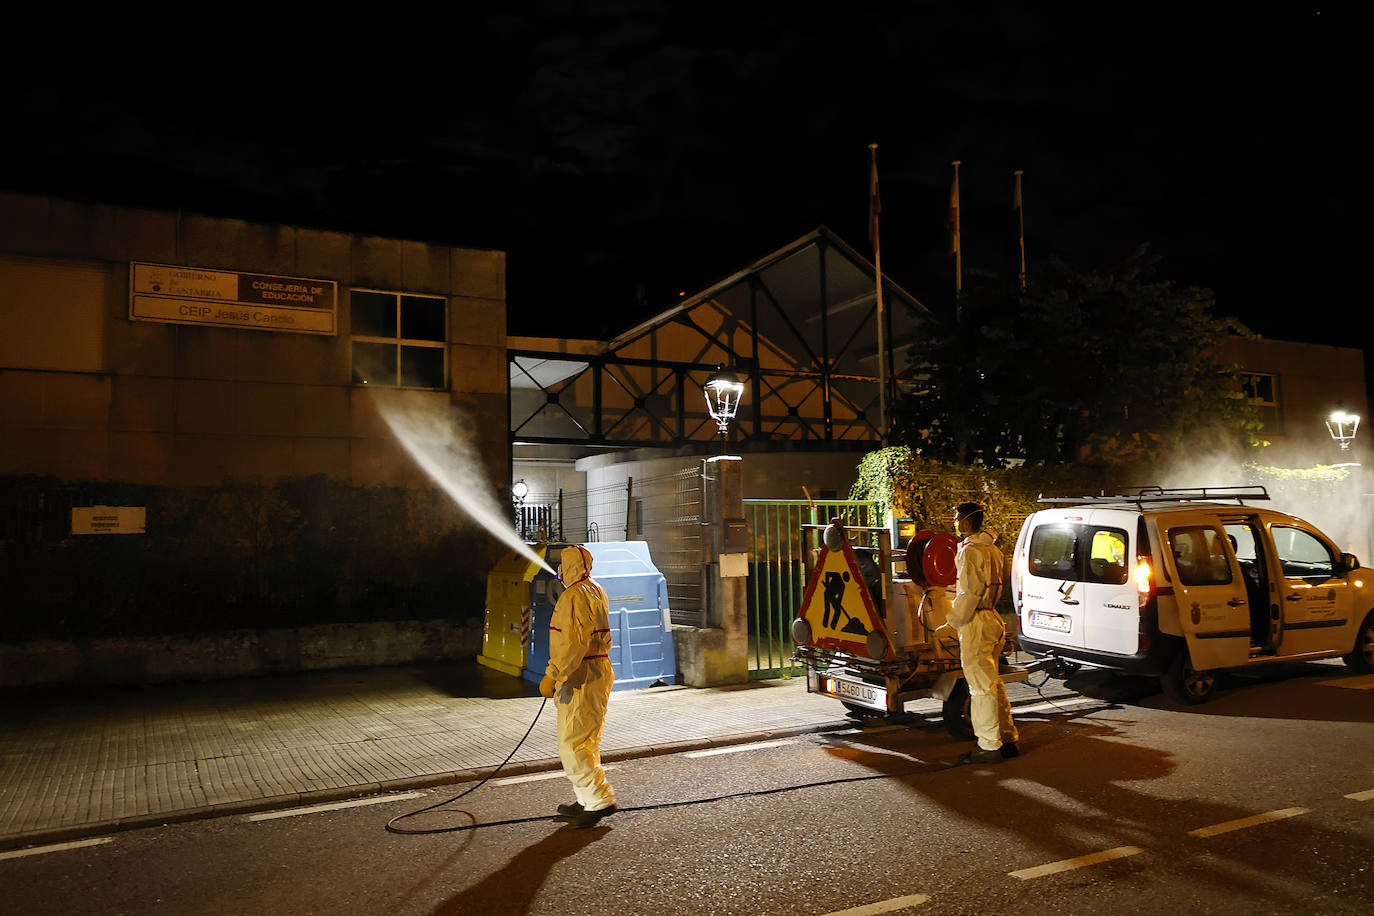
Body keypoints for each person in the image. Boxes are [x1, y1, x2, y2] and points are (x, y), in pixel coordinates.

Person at [539, 545, 618, 827]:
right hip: (596, 669)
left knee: (573, 742)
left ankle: (597, 801)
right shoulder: (595, 589)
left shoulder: (573, 596)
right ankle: (586, 797)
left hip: (580, 674)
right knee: (587, 740)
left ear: (569, 567)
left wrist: (553, 674)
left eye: (562, 565)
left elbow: (573, 642)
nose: (558, 571)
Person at [949, 502, 1020, 764]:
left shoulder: (969, 552)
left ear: (967, 522)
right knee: (993, 683)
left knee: (980, 688)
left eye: (957, 518)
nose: (955, 523)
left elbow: (969, 592)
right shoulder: (992, 549)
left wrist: (953, 620)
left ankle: (989, 747)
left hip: (975, 622)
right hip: (992, 618)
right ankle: (1007, 738)